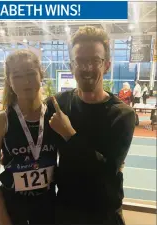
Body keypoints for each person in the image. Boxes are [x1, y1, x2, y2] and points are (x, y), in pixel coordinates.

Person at [47, 26, 135, 224]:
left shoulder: (122, 115)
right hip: (66, 212)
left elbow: (105, 172)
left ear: (107, 65)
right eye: (80, 61)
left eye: (95, 60)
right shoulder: (57, 104)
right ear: (71, 66)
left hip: (103, 214)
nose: (86, 68)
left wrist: (70, 135)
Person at [0, 49, 57, 225]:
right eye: (17, 76)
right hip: (13, 209)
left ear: (41, 75)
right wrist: (4, 221)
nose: (26, 81)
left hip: (48, 207)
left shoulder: (55, 117)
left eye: (31, 74)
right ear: (9, 81)